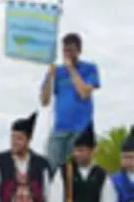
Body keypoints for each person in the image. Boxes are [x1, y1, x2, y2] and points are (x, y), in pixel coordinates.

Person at [40, 32, 101, 169]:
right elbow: (45, 101)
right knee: (51, 167)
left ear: (79, 50)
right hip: (60, 128)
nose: (67, 54)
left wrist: (71, 69)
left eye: (71, 50)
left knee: (80, 169)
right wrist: (49, 76)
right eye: (65, 50)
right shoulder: (58, 72)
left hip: (81, 129)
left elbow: (84, 93)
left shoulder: (89, 69)